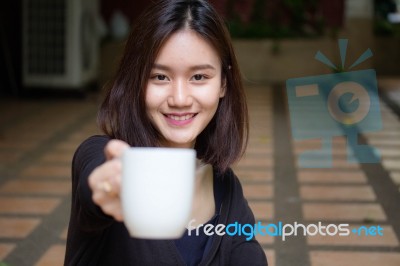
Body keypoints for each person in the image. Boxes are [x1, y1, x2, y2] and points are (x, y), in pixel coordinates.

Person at [65, 0, 268, 265]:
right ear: (135, 81)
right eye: (160, 77)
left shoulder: (226, 188)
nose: (180, 99)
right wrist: (107, 186)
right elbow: (94, 180)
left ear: (223, 84)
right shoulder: (98, 154)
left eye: (198, 77)